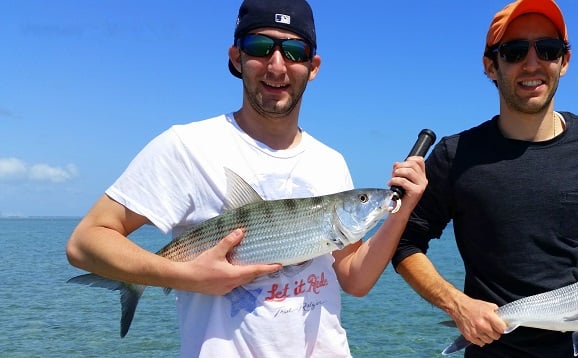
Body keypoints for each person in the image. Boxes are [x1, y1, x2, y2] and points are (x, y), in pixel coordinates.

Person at [65, 0, 426, 356]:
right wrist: (186, 276)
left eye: (294, 51)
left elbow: (356, 279)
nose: (277, 65)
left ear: (313, 66)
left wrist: (402, 210)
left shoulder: (331, 161)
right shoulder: (186, 146)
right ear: (236, 57)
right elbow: (85, 243)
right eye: (259, 47)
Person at [392, 0, 578, 356]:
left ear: (564, 61)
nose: (532, 63)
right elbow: (406, 243)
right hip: (495, 348)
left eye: (547, 49)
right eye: (515, 51)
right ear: (491, 66)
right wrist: (457, 305)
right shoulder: (456, 156)